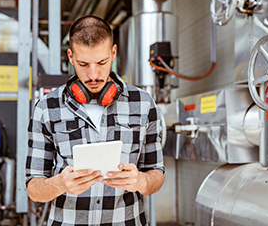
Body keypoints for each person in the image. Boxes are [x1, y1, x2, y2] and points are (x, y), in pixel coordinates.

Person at [26, 15, 165, 226]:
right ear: (71, 57)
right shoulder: (47, 107)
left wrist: (141, 181)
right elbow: (34, 189)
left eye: (102, 62)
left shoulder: (143, 103)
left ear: (113, 53)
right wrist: (59, 184)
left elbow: (157, 175)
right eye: (83, 64)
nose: (93, 75)